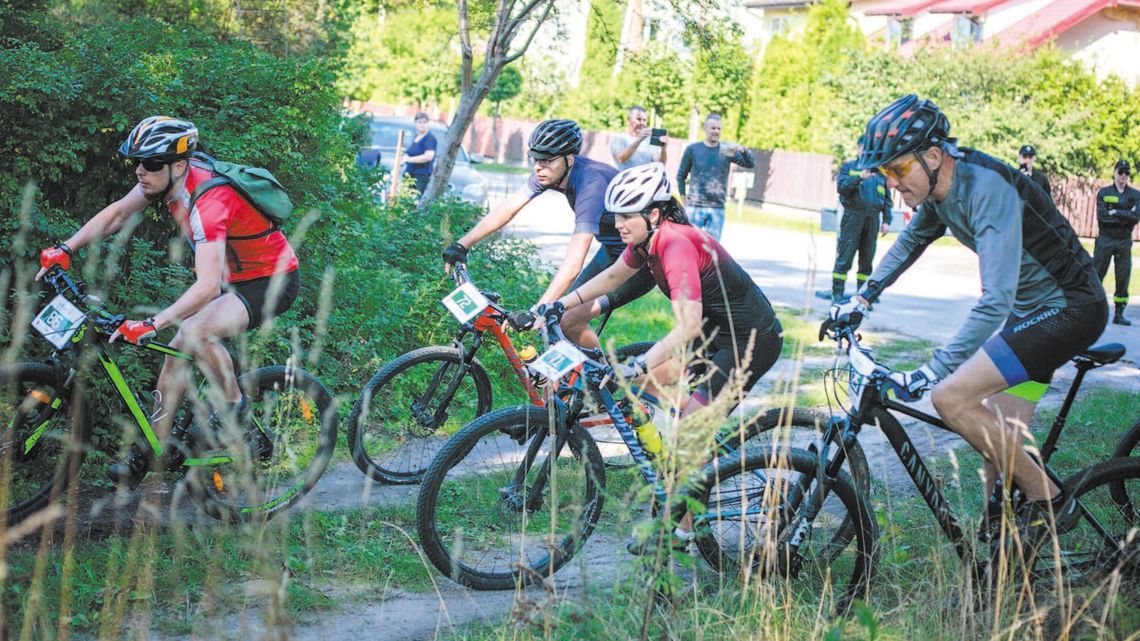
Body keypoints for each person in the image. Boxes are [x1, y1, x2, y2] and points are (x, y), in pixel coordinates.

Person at [836, 95, 1106, 551]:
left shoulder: (987, 189)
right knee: (997, 445)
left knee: (950, 397)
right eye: (885, 173)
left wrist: (931, 370)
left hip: (1070, 309)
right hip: (1035, 313)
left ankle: (1054, 505)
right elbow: (909, 243)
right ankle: (1006, 563)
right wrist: (863, 296)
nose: (892, 183)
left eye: (898, 169)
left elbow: (995, 300)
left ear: (934, 156)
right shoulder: (940, 191)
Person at [37, 116, 301, 489]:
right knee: (175, 350)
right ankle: (153, 449)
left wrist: (152, 322)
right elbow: (117, 213)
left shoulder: (209, 201)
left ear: (178, 165)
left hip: (269, 280)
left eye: (151, 165)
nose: (141, 172)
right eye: (137, 163)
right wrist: (65, 249)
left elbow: (207, 287)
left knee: (193, 332)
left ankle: (234, 408)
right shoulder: (167, 179)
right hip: (229, 275)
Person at [543, 162, 782, 552]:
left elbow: (685, 327)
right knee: (639, 384)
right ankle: (685, 464)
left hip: (747, 342)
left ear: (653, 213)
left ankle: (679, 532)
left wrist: (645, 358)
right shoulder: (645, 244)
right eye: (616, 214)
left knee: (688, 427)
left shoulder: (675, 244)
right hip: (712, 336)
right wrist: (557, 306)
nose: (618, 223)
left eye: (626, 215)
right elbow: (612, 278)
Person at [442, 119, 657, 347]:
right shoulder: (552, 172)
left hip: (641, 264)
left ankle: (602, 379)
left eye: (546, 161)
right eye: (535, 159)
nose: (538, 167)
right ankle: (570, 378)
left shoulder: (591, 185)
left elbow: (573, 264)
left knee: (567, 318)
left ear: (569, 159)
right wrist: (462, 245)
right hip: (612, 253)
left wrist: (536, 310)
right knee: (557, 317)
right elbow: (509, 208)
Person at [815, 135, 893, 303]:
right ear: (858, 148)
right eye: (864, 148)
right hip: (852, 217)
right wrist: (859, 177)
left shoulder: (880, 173)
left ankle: (862, 296)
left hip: (872, 220)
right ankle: (837, 294)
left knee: (867, 260)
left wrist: (887, 220)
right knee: (844, 257)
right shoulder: (849, 167)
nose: (867, 152)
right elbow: (842, 188)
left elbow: (887, 199)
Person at [676, 113, 754, 240]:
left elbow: (749, 164)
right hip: (695, 207)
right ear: (705, 128)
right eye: (713, 128)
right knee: (690, 244)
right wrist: (684, 200)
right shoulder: (693, 149)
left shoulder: (725, 149)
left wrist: (743, 151)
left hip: (717, 209)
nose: (716, 131)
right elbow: (681, 176)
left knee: (713, 251)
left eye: (719, 128)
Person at [1093, 159, 1139, 326]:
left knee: (1123, 277)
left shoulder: (1135, 195)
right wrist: (1126, 214)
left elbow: (1136, 217)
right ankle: (1090, 310)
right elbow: (1102, 218)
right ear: (1114, 173)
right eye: (1121, 172)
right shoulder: (1104, 193)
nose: (1124, 176)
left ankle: (1119, 313)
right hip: (1105, 239)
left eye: (1127, 173)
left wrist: (1115, 212)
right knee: (1096, 274)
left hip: (1124, 241)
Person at [610, 105, 667, 171]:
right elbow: (621, 159)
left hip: (643, 180)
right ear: (629, 120)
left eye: (644, 120)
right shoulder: (618, 138)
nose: (642, 123)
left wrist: (663, 148)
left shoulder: (649, 141)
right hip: (623, 179)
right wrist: (639, 140)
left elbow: (660, 163)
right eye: (639, 119)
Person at [402, 112, 437, 194]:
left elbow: (428, 157)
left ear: (428, 123)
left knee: (415, 201)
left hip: (421, 176)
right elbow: (411, 153)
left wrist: (409, 159)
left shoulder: (430, 138)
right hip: (409, 174)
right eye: (419, 122)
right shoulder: (416, 137)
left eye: (424, 122)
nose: (422, 125)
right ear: (416, 123)